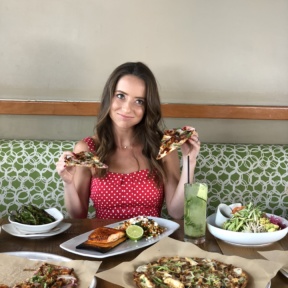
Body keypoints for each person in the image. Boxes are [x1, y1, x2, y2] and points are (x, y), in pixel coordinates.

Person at [56, 62, 201, 219]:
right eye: (121, 96)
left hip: (151, 240)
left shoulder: (162, 146)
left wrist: (189, 161)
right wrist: (68, 183)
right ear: (108, 97)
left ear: (147, 107)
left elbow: (177, 212)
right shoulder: (87, 148)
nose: (127, 108)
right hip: (104, 240)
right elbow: (78, 214)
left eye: (139, 101)